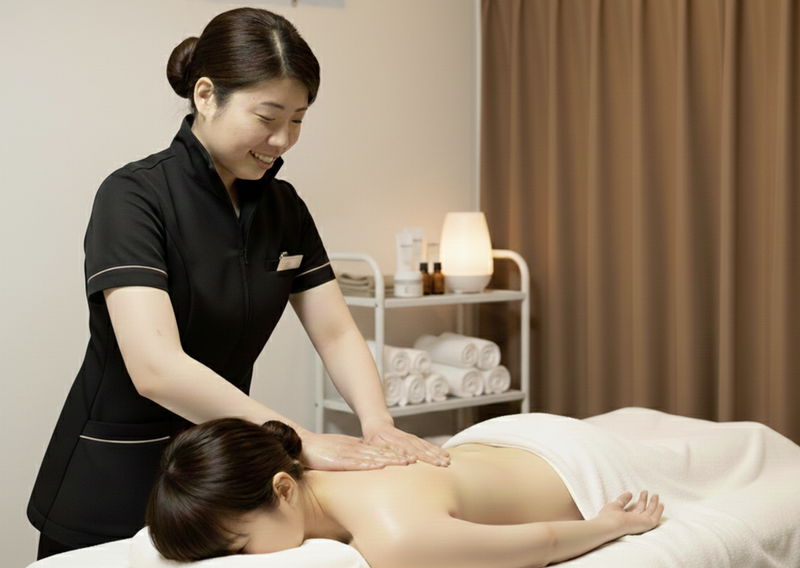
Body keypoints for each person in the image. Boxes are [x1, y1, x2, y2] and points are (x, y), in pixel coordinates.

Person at [27, 7, 448, 560]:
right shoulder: (133, 197)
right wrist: (300, 440)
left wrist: (378, 425)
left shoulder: (283, 208)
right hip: (113, 477)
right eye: (267, 116)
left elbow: (336, 333)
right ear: (206, 96)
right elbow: (156, 367)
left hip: (223, 486)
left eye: (298, 119)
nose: (283, 139)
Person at [146, 418, 664, 568]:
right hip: (499, 442)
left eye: (237, 549)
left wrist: (609, 526)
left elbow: (542, 544)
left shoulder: (393, 539)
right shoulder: (318, 464)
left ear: (283, 489)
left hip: (565, 460)